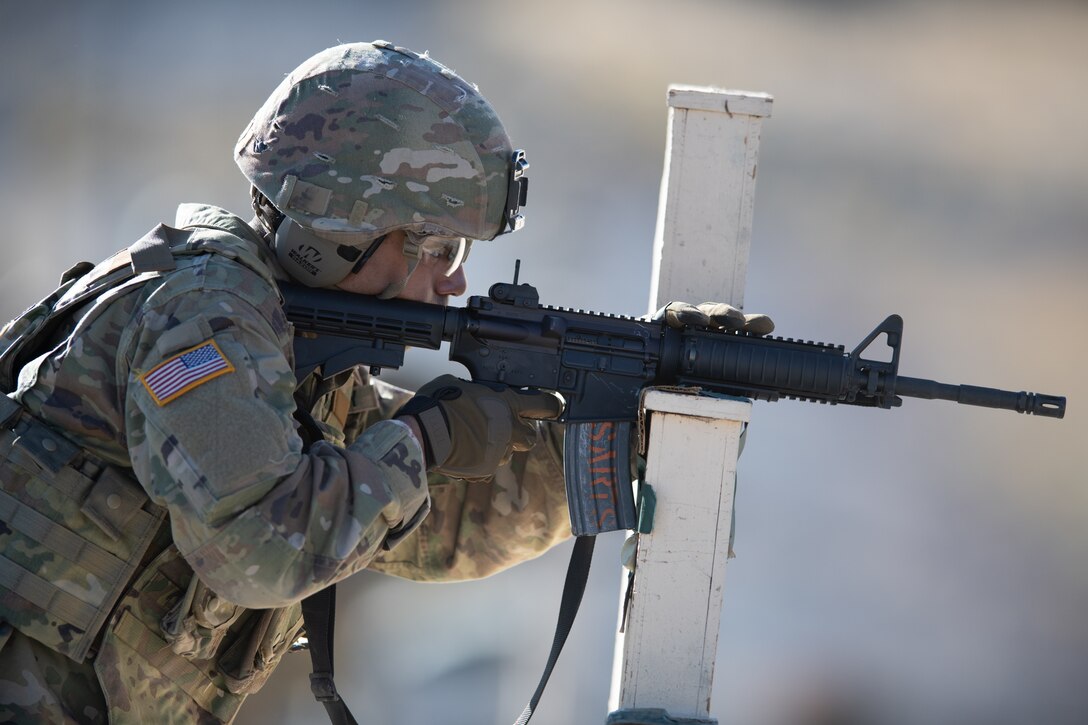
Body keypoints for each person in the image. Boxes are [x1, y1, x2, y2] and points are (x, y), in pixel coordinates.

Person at [0, 41, 769, 723]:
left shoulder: (294, 354)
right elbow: (261, 545)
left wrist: (631, 430)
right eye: (437, 243)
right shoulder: (203, 316)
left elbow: (426, 524)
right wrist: (428, 437)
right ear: (337, 233)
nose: (455, 278)